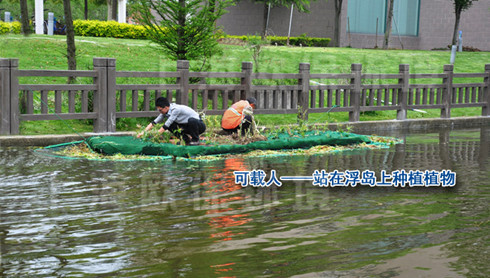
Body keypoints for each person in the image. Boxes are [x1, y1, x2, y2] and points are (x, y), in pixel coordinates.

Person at [137, 97, 206, 145]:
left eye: (160, 110)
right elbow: (154, 122)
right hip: (187, 126)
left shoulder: (176, 109)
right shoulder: (165, 112)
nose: (159, 111)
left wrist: (155, 136)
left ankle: (195, 140)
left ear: (166, 107)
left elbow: (166, 125)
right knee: (171, 126)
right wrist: (143, 132)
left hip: (198, 126)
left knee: (191, 120)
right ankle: (186, 140)